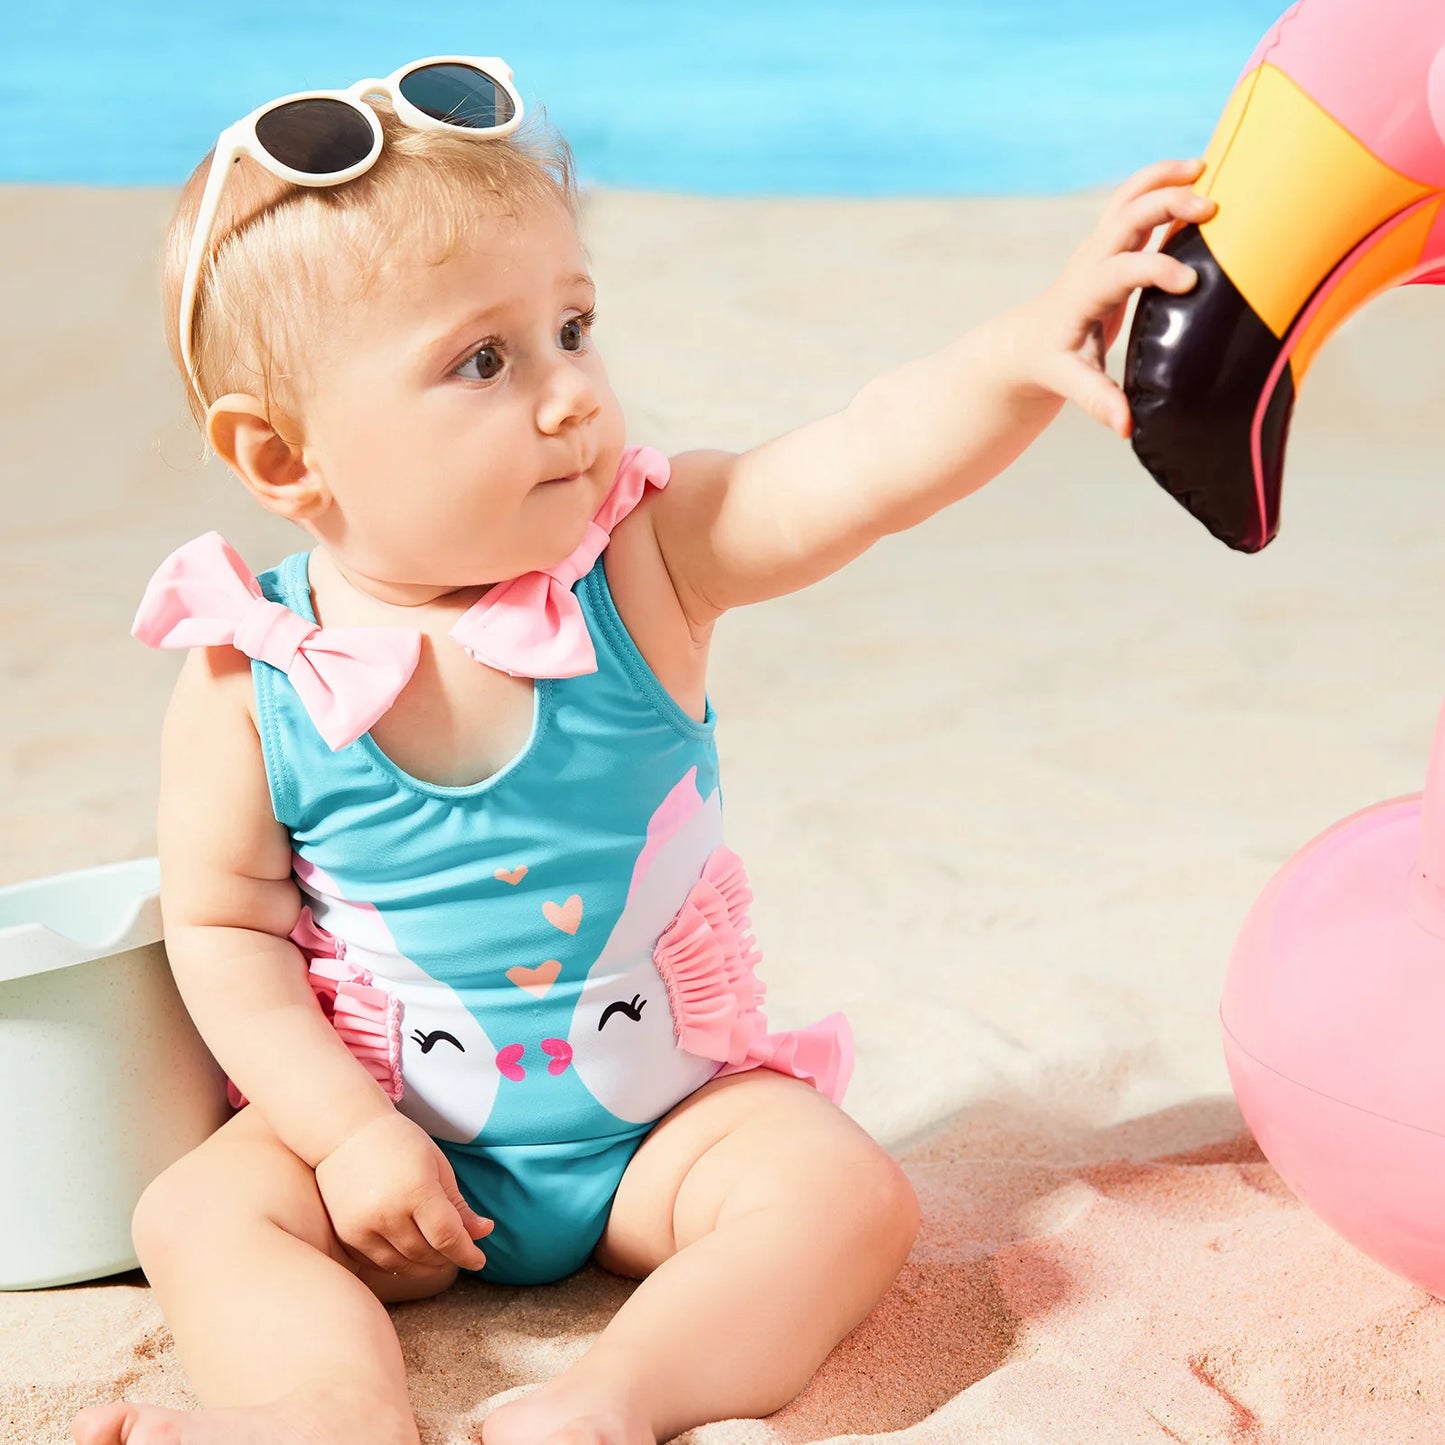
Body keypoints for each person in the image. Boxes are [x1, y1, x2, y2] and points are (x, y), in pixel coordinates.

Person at [70, 55, 1215, 1445]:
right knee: (198, 1207)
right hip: (394, 1135)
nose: (568, 396)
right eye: (483, 360)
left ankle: (607, 1400)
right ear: (282, 459)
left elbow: (854, 462)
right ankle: (325, 1407)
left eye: (572, 325)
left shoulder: (644, 567)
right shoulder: (248, 672)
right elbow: (226, 927)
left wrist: (1015, 353)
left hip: (659, 1131)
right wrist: (343, 1134)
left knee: (839, 1192)